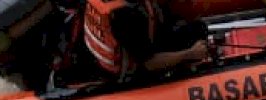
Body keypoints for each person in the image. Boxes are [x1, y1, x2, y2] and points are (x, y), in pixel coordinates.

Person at [82, 0, 210, 83]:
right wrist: (190, 53)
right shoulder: (126, 15)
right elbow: (149, 63)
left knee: (196, 28)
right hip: (132, 73)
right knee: (195, 34)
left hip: (125, 46)